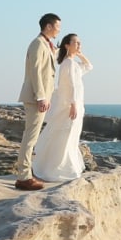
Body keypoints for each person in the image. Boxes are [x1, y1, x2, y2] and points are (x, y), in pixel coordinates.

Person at [32, 33, 92, 182]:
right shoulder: (69, 63)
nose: (79, 45)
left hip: (76, 104)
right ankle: (57, 169)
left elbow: (89, 66)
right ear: (67, 45)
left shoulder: (72, 63)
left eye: (80, 43)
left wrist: (80, 54)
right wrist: (73, 104)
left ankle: (64, 167)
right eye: (76, 43)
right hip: (71, 105)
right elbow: (71, 85)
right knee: (65, 136)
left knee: (71, 137)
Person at [14, 12, 61, 191]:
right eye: (57, 26)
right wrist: (41, 96)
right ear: (48, 26)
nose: (59, 30)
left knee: (31, 136)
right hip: (35, 97)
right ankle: (24, 177)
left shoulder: (46, 45)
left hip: (40, 97)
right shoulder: (37, 44)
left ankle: (25, 175)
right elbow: (35, 73)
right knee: (30, 137)